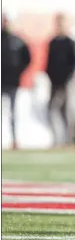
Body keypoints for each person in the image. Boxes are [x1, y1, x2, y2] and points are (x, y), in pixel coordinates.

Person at [45, 12, 75, 146]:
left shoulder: (70, 42)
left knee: (66, 110)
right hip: (54, 81)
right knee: (52, 109)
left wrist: (67, 77)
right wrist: (50, 75)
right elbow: (49, 62)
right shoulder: (53, 42)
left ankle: (69, 139)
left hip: (67, 82)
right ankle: (56, 138)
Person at [1, 11, 31, 149]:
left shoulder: (17, 40)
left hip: (12, 82)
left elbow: (27, 58)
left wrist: (18, 72)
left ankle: (14, 140)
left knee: (13, 113)